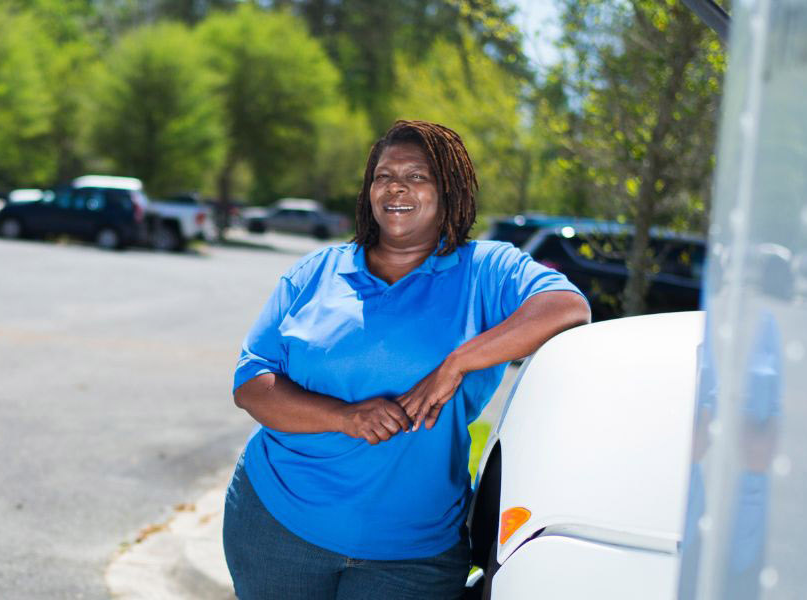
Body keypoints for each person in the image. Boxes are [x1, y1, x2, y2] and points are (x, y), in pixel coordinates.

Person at [224, 120, 591, 598]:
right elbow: (251, 382)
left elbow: (568, 308)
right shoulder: (317, 272)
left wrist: (455, 363)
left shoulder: (485, 270)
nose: (396, 187)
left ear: (448, 191)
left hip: (413, 551)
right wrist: (345, 417)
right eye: (383, 175)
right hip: (279, 524)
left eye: (417, 176)